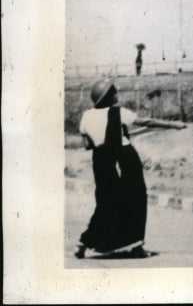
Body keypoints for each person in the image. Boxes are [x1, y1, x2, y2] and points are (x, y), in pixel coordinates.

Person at [75, 78, 186, 259]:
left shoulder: (86, 116)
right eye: (114, 92)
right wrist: (174, 125)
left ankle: (84, 243)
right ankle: (136, 246)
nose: (117, 95)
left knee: (105, 202)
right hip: (125, 159)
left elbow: (88, 145)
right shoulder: (119, 112)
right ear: (108, 97)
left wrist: (107, 135)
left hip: (101, 162)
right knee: (135, 199)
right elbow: (147, 122)